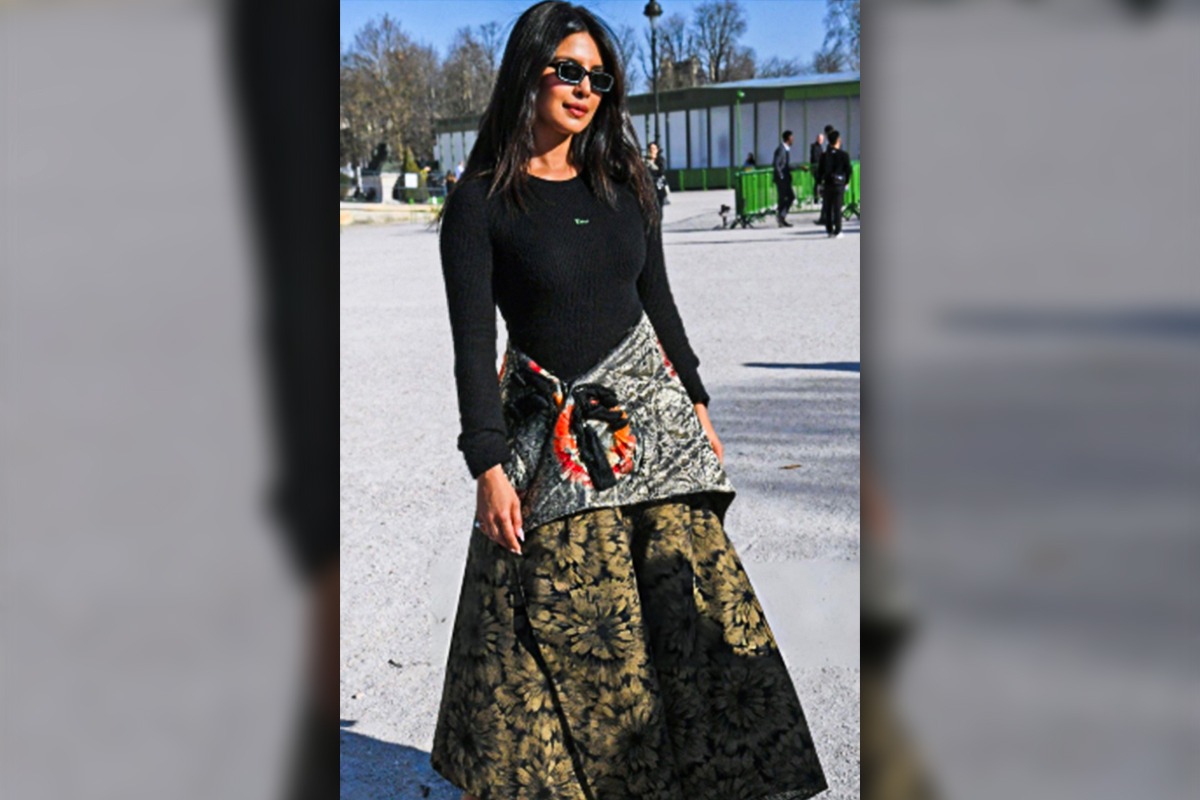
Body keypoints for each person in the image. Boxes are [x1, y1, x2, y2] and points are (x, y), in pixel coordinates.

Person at [431, 3, 828, 799]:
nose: (586, 89)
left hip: (652, 427)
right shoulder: (479, 202)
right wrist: (487, 466)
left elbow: (659, 304)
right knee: (569, 626)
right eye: (568, 71)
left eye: (600, 78)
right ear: (528, 72)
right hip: (550, 440)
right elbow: (473, 345)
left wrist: (698, 404)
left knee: (686, 616)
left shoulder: (626, 184)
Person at [817, 128, 853, 238]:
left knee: (828, 207)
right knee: (837, 208)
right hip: (839, 183)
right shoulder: (843, 155)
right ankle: (838, 230)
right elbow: (848, 170)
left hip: (827, 183)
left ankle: (829, 230)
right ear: (838, 140)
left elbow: (820, 171)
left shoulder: (824, 155)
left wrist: (819, 183)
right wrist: (846, 181)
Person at [772, 129, 797, 227]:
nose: (793, 140)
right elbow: (776, 164)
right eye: (792, 138)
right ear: (788, 138)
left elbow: (785, 165)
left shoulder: (785, 149)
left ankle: (781, 217)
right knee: (788, 197)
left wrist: (798, 167)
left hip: (785, 178)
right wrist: (781, 176)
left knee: (785, 198)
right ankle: (781, 217)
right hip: (782, 179)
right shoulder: (781, 149)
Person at [645, 140, 668, 206]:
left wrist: (652, 170)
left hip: (658, 183)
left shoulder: (660, 160)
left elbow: (661, 172)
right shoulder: (646, 160)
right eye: (650, 149)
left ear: (657, 150)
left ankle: (663, 198)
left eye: (653, 149)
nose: (651, 151)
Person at [808, 132, 826, 205]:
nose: (821, 140)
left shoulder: (820, 147)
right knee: (818, 182)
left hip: (819, 168)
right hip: (816, 168)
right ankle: (817, 197)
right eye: (820, 139)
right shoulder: (814, 147)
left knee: (819, 182)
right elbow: (815, 158)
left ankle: (819, 197)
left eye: (822, 139)